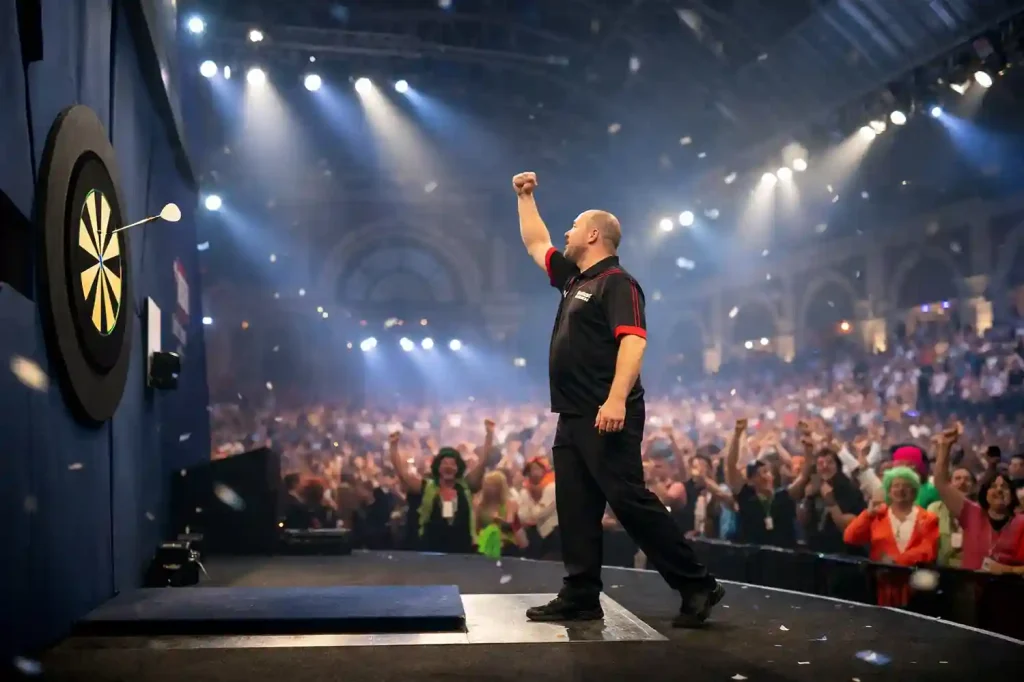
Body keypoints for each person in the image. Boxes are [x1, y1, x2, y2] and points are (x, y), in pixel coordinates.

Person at [512, 171, 723, 628]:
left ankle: (696, 583)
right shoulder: (573, 279)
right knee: (575, 505)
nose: (564, 233)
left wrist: (615, 400)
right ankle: (581, 593)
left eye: (573, 226)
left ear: (593, 234)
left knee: (629, 501)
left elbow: (633, 342)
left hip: (605, 412)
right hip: (572, 415)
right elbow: (535, 243)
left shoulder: (617, 283)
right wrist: (525, 197)